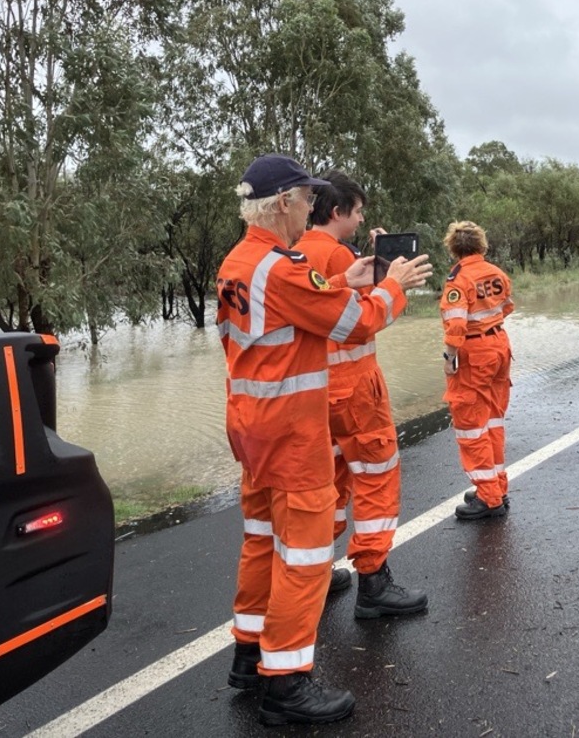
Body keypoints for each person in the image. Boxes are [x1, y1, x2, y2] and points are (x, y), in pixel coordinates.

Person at [216, 154, 432, 726]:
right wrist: (392, 286)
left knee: (261, 539)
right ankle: (285, 684)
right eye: (307, 200)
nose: (313, 209)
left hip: (250, 425)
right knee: (307, 557)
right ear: (283, 201)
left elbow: (283, 314)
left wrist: (343, 280)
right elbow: (353, 324)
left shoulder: (241, 263)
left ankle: (248, 654)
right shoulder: (279, 267)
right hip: (290, 431)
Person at [293, 172, 428, 619]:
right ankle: (373, 581)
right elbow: (370, 316)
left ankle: (318, 570)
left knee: (325, 483)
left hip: (311, 392)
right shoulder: (339, 256)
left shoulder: (291, 254)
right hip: (355, 390)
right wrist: (397, 282)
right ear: (338, 212)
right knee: (375, 475)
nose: (363, 217)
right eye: (359, 210)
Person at [439, 221, 515, 521]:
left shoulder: (458, 279)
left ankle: (488, 497)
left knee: (471, 423)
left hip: (474, 351)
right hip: (500, 344)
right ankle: (497, 486)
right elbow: (507, 306)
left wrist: (450, 357)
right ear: (481, 245)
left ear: (454, 248)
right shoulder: (496, 272)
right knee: (493, 420)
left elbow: (455, 324)